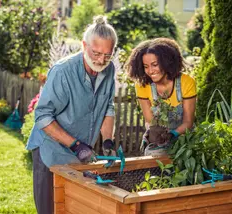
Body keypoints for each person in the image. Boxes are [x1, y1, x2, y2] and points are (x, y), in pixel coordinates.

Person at [26, 15, 118, 214]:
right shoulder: (63, 72)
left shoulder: (108, 69)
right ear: (84, 45)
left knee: (74, 208)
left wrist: (108, 141)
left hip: (79, 155)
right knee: (50, 209)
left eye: (107, 55)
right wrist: (75, 145)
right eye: (96, 53)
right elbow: (42, 116)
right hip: (50, 151)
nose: (101, 60)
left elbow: (107, 107)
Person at [126, 38, 196, 155]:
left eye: (154, 65)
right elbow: (150, 121)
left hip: (184, 138)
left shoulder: (186, 82)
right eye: (146, 66)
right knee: (154, 157)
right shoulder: (143, 86)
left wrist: (173, 134)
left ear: (167, 62)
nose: (150, 71)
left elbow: (188, 122)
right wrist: (153, 133)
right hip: (159, 138)